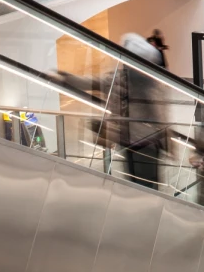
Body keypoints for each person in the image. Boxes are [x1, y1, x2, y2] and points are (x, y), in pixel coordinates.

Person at [56, 33, 168, 190]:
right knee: (133, 183)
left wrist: (166, 141)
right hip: (126, 141)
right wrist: (65, 78)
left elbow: (160, 114)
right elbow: (93, 82)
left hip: (146, 144)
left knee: (146, 186)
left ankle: (144, 209)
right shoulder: (119, 78)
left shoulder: (149, 85)